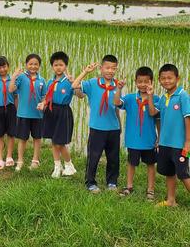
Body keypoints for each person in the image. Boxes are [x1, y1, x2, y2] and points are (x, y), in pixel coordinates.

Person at [72, 55, 120, 193]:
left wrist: (120, 127)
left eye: (113, 68)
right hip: (97, 128)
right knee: (94, 156)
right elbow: (74, 85)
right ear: (101, 68)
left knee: (113, 157)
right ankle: (90, 182)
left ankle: (112, 182)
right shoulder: (93, 83)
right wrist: (86, 72)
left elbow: (117, 106)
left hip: (113, 127)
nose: (110, 71)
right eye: (107, 67)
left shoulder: (117, 85)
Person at [114, 67, 159, 200]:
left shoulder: (156, 99)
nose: (143, 84)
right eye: (140, 81)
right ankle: (129, 186)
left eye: (146, 81)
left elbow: (153, 113)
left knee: (151, 165)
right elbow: (116, 102)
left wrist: (150, 96)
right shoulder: (129, 98)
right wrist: (119, 88)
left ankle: (150, 190)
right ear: (135, 82)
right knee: (131, 163)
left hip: (149, 140)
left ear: (152, 82)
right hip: (133, 140)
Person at [148, 64, 190, 206]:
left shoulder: (183, 96)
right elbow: (153, 112)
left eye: (170, 78)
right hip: (165, 143)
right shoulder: (163, 97)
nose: (167, 81)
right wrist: (149, 95)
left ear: (177, 78)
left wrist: (188, 142)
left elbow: (188, 118)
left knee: (183, 174)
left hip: (180, 145)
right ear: (159, 80)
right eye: (163, 78)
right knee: (169, 172)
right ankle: (171, 200)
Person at [38, 51, 77, 178]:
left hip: (63, 112)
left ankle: (69, 165)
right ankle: (57, 166)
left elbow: (81, 96)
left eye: (61, 65)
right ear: (52, 66)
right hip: (50, 111)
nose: (58, 67)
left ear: (65, 66)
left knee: (60, 142)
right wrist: (42, 103)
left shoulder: (69, 81)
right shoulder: (50, 81)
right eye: (55, 65)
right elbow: (47, 98)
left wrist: (74, 84)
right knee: (53, 141)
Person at [9, 54, 46, 172]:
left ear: (39, 66)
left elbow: (45, 96)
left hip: (37, 115)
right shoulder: (21, 77)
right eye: (30, 64)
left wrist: (43, 103)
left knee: (37, 138)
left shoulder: (42, 80)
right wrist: (14, 76)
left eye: (36, 64)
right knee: (22, 138)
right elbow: (11, 89)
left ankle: (35, 160)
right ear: (26, 64)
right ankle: (20, 160)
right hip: (23, 114)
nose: (33, 66)